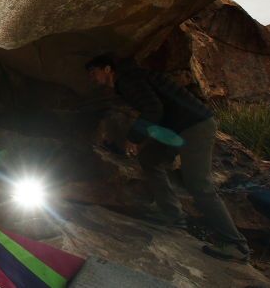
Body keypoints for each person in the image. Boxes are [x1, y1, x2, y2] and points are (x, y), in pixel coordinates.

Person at [86, 54, 250, 262]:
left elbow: (153, 109)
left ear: (108, 69)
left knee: (199, 184)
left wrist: (134, 138)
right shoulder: (130, 80)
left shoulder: (128, 80)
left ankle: (236, 245)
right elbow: (156, 110)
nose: (91, 78)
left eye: (93, 72)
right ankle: (172, 215)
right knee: (150, 159)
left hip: (194, 126)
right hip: (177, 128)